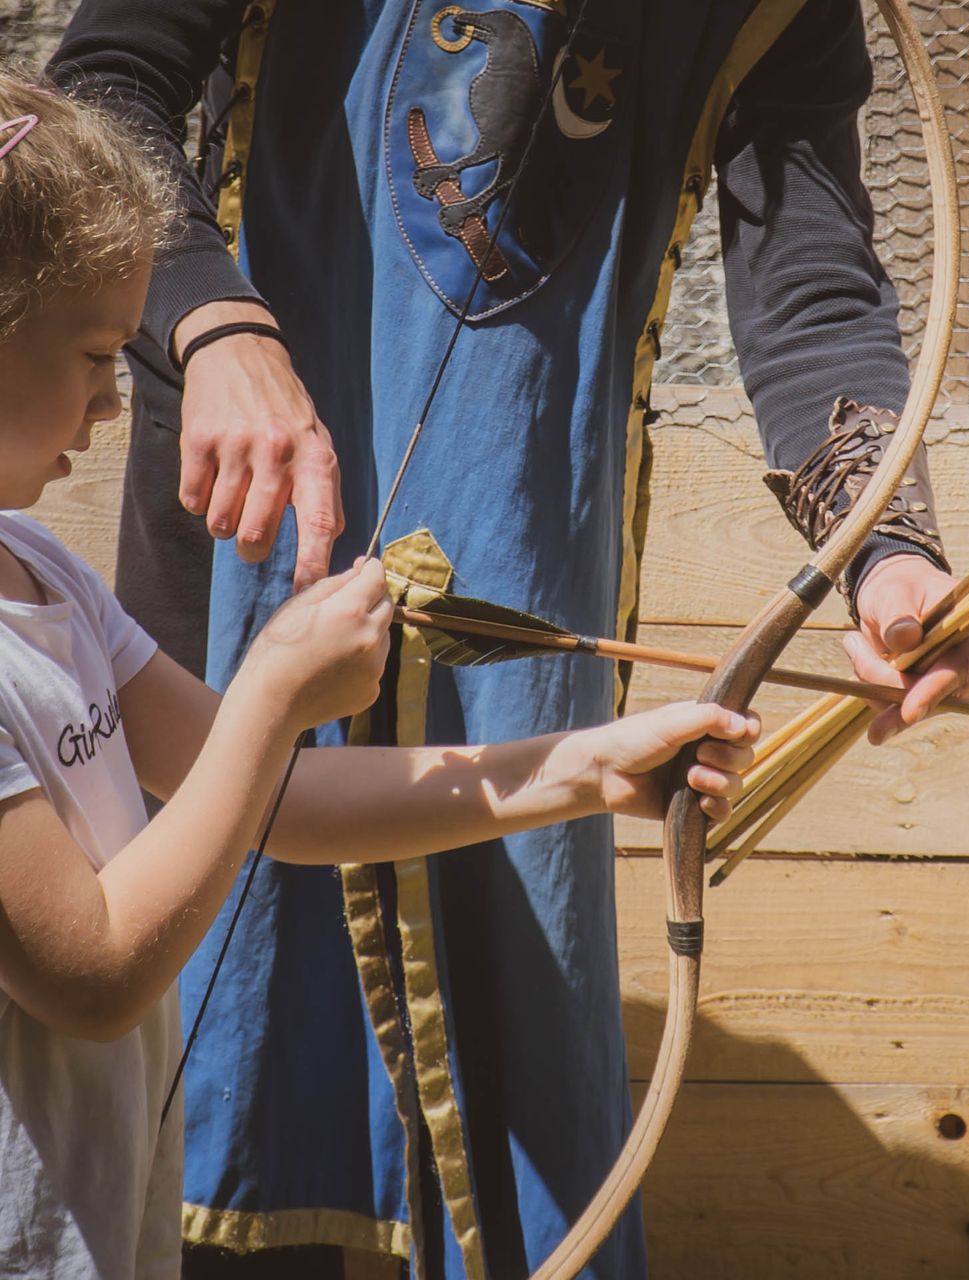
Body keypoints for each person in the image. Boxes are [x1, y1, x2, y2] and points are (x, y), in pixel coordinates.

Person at [49, 0, 969, 1275]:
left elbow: (811, 284)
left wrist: (888, 551)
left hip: (526, 567)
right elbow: (104, 90)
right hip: (246, 511)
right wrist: (217, 321)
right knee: (223, 1020)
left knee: (513, 1047)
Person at [0, 80, 759, 1280]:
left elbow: (282, 807)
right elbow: (94, 971)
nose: (110, 396)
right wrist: (271, 693)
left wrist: (584, 767)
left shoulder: (39, 570)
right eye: (95, 353)